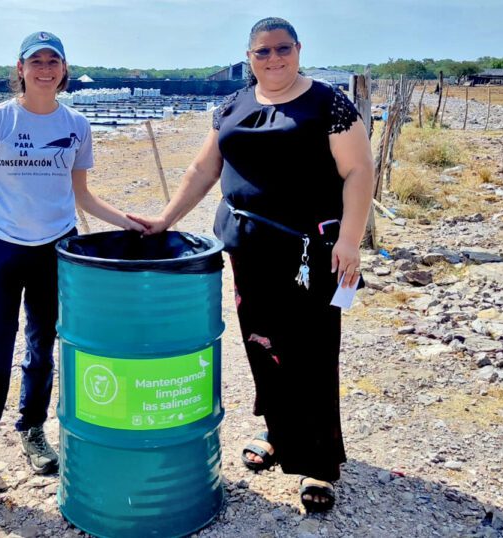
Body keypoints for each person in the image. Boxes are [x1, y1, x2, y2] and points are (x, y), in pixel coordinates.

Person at [129, 17, 374, 512]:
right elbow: (204, 168)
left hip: (311, 253)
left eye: (282, 49)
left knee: (311, 353)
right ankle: (280, 432)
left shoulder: (327, 103)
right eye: (262, 52)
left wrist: (351, 239)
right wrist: (164, 218)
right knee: (264, 347)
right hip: (247, 251)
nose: (273, 59)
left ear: (299, 50)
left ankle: (320, 464)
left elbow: (359, 170)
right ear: (249, 57)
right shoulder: (232, 106)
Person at [0, 31, 144, 531]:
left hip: (57, 249)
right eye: (37, 61)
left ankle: (32, 429)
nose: (46, 69)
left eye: (54, 61)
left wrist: (130, 221)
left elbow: (83, 196)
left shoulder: (76, 124)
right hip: (0, 250)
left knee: (42, 349)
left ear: (64, 70)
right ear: (21, 69)